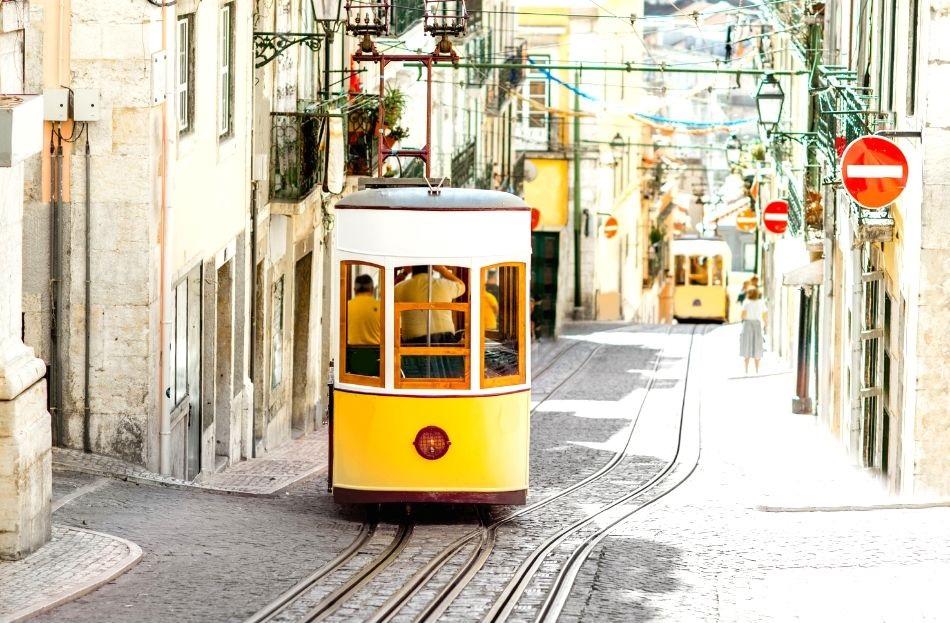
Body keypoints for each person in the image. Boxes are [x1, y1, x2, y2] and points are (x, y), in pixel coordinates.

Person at [395, 265, 466, 343]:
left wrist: (405, 273)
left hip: (413, 341)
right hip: (445, 340)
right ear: (432, 269)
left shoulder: (399, 288)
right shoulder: (444, 285)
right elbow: (462, 286)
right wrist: (443, 270)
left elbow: (389, 295)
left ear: (412, 269)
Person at [346, 274, 381, 376]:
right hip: (376, 361)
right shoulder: (381, 306)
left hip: (353, 361)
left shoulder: (346, 306)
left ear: (354, 290)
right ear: (372, 289)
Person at [740, 287, 766, 374]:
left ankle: (746, 370)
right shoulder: (761, 302)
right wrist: (765, 324)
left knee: (746, 345)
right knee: (757, 345)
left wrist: (744, 318)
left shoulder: (746, 302)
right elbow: (765, 315)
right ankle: (757, 370)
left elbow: (742, 315)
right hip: (757, 325)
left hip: (747, 324)